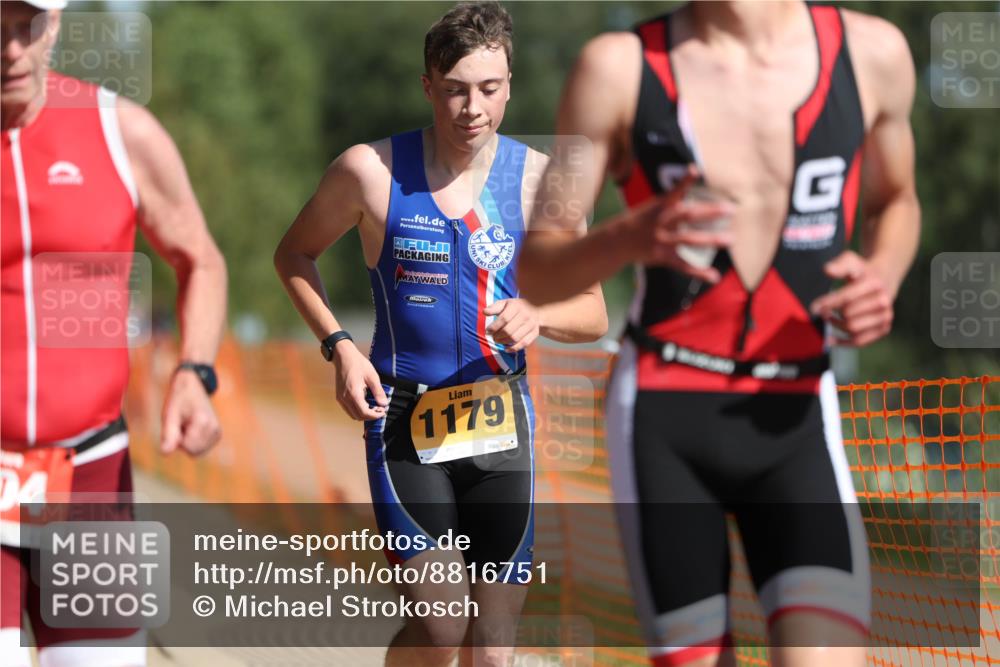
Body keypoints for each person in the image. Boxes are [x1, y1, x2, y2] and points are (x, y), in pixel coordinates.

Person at [518, 2, 919, 666]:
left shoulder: (875, 54)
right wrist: (629, 235)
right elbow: (537, 266)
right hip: (664, 417)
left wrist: (884, 274)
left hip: (793, 415)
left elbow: (895, 199)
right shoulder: (613, 69)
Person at [274, 3, 606, 665]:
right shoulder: (369, 171)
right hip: (404, 418)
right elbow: (293, 255)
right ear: (428, 85)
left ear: (510, 83)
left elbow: (593, 310)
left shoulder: (547, 181)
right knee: (443, 626)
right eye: (455, 89)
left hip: (501, 416)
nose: (472, 108)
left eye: (488, 88)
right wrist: (339, 345)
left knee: (494, 639)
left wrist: (539, 316)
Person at [1, 2, 228, 666]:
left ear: (58, 25)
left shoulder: (120, 130)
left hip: (91, 474)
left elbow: (201, 258)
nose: (10, 50)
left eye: (26, 27)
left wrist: (195, 371)